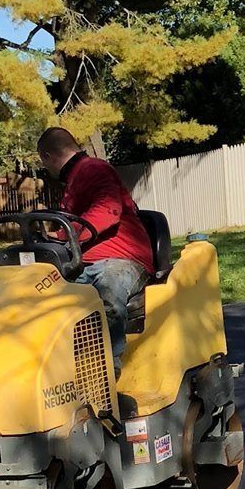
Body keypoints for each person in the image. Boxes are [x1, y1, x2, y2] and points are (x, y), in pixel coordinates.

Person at [35, 125, 154, 374]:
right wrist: (54, 239)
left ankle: (105, 370)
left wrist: (70, 237)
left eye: (44, 164)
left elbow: (107, 210)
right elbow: (76, 224)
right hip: (86, 263)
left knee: (108, 290)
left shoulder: (94, 169)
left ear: (47, 157)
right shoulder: (75, 180)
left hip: (123, 258)